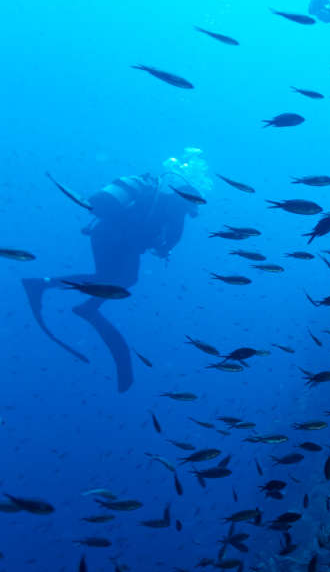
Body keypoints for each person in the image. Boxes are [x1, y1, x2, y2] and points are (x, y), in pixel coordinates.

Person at [22, 148, 211, 392]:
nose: (192, 213)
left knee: (115, 279)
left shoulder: (158, 195)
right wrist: (164, 249)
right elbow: (174, 237)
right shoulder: (179, 204)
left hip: (103, 233)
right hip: (121, 239)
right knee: (123, 279)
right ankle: (70, 299)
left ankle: (62, 292)